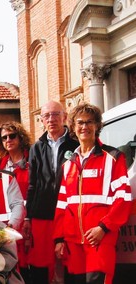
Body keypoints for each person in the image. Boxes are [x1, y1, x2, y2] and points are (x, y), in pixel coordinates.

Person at [53, 103, 132, 284]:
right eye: (80, 123)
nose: (84, 127)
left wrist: (103, 228)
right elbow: (62, 204)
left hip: (100, 238)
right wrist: (58, 239)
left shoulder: (113, 157)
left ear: (97, 126)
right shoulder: (68, 164)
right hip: (73, 242)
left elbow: (123, 198)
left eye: (90, 122)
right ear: (73, 127)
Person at [24, 100, 79, 284]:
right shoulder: (36, 148)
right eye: (47, 115)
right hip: (42, 214)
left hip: (70, 212)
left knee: (69, 261)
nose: (51, 119)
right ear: (41, 120)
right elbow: (32, 184)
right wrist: (28, 217)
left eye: (56, 114)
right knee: (41, 264)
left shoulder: (76, 144)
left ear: (64, 117)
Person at [0, 121, 32, 283]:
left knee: (32, 263)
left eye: (12, 136)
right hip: (11, 222)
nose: (8, 140)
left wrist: (28, 217)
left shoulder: (32, 160)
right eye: (4, 138)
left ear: (20, 137)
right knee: (13, 261)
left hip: (30, 218)